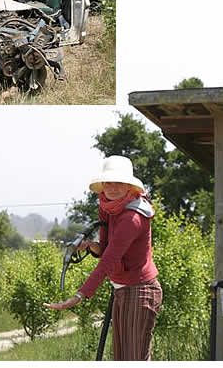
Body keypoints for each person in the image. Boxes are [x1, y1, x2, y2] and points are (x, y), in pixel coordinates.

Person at [43, 155, 162, 361]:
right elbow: (104, 249)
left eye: (119, 183)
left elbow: (109, 260)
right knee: (121, 358)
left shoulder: (132, 217)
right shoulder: (108, 207)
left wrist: (79, 296)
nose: (113, 188)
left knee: (134, 358)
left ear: (129, 186)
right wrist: (89, 246)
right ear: (102, 185)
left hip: (141, 290)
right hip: (122, 289)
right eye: (108, 182)